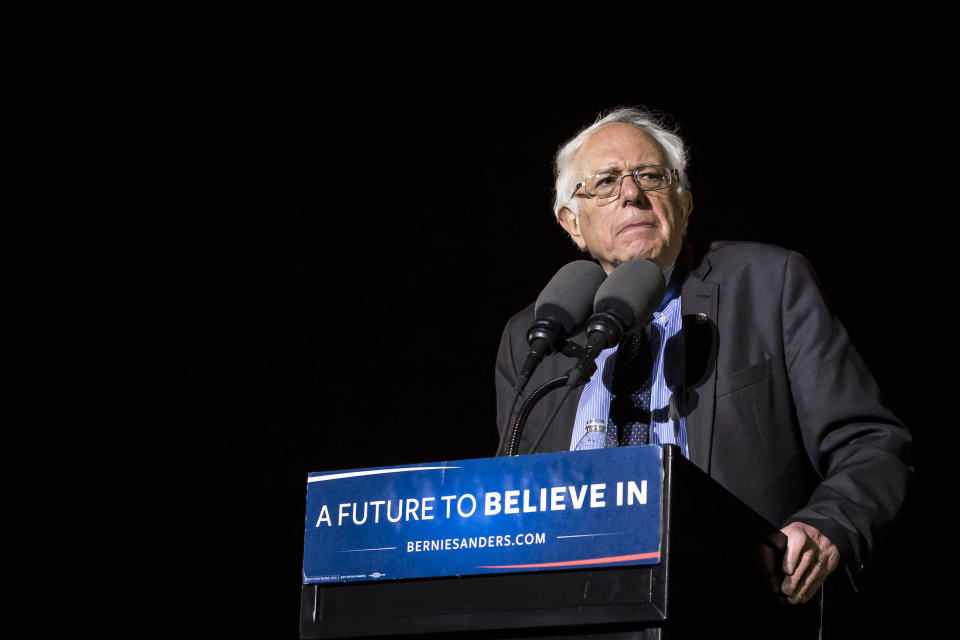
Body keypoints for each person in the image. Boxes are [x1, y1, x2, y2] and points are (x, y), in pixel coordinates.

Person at [494, 106, 912, 607]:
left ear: (684, 203)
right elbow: (510, 491)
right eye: (605, 183)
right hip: (577, 607)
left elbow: (870, 441)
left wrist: (828, 526)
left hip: (732, 604)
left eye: (650, 175)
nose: (631, 194)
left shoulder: (767, 284)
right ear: (572, 223)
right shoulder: (535, 334)